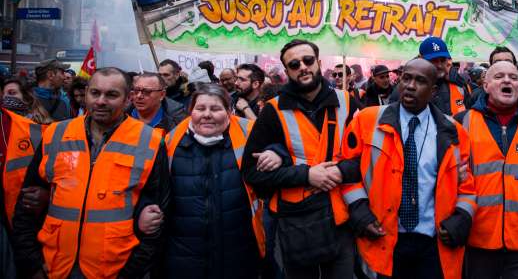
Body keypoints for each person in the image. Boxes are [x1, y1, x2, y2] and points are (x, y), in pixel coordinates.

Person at [11, 67, 170, 279]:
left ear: (128, 99)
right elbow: (26, 207)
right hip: (54, 266)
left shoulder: (149, 141)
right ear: (86, 94)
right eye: (95, 93)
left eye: (111, 95)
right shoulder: (55, 134)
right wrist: (32, 265)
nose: (101, 101)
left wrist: (130, 273)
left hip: (115, 268)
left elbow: (157, 219)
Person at [340, 58, 477, 279]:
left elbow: (466, 186)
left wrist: (461, 218)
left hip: (433, 244)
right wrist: (360, 213)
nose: (411, 86)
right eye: (406, 78)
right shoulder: (367, 121)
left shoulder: (453, 131)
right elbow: (347, 172)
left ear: (433, 91)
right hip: (384, 237)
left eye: (420, 81)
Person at [242, 39, 357, 279]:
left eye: (307, 60)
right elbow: (251, 172)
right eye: (294, 64)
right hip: (297, 224)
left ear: (318, 62)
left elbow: (366, 157)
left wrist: (340, 172)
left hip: (341, 219)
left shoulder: (347, 102)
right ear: (287, 72)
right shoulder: (273, 111)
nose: (302, 67)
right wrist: (307, 175)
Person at [146, 83, 270, 278]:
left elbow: (281, 149)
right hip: (183, 258)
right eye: (200, 108)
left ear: (229, 111)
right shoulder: (169, 143)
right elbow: (151, 190)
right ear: (190, 111)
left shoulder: (250, 136)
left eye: (216, 108)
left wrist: (276, 154)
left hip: (238, 254)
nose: (207, 115)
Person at [456, 61, 518, 279]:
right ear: (486, 85)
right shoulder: (462, 122)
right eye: (499, 76)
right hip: (476, 241)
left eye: (513, 77)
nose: (507, 80)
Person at [412, 36, 471, 115]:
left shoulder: (460, 85)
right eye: (434, 60)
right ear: (421, 59)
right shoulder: (408, 87)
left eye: (442, 60)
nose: (439, 65)